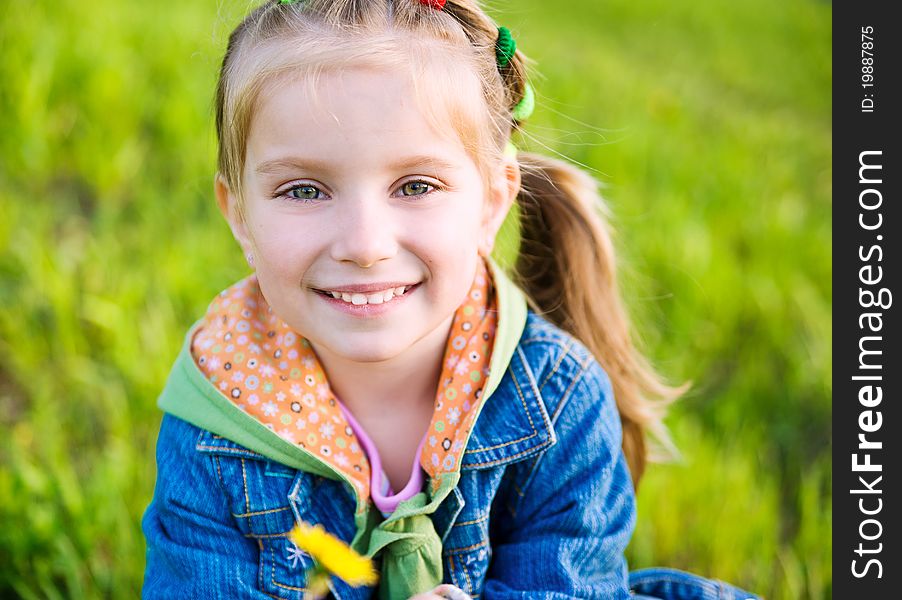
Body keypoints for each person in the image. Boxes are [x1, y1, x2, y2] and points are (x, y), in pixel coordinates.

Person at [142, 1, 759, 599]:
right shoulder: (215, 420)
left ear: (492, 203)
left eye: (415, 185)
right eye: (304, 190)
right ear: (240, 216)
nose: (364, 245)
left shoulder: (559, 402)